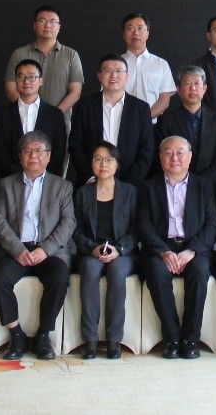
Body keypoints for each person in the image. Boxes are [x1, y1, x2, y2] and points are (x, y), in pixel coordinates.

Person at [0, 131, 76, 360]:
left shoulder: (62, 186)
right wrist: (18, 250)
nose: (33, 156)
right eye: (27, 151)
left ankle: (43, 335)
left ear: (49, 156)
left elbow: (68, 222)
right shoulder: (6, 184)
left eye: (38, 151)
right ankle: (16, 334)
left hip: (48, 251)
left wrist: (45, 249)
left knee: (59, 277)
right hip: (15, 250)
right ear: (20, 157)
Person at [136, 136, 216, 359]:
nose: (174, 158)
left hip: (193, 248)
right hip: (160, 248)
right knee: (156, 273)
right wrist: (164, 251)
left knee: (199, 271)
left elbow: (213, 224)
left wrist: (191, 251)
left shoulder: (203, 186)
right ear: (160, 157)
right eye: (168, 152)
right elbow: (143, 224)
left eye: (180, 152)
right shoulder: (148, 187)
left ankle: (191, 339)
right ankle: (172, 337)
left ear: (190, 157)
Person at [72, 142, 137, 360]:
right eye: (98, 159)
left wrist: (119, 250)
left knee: (117, 272)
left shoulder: (129, 192)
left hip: (122, 252)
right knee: (90, 270)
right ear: (91, 164)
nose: (103, 164)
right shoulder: (83, 193)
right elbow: (76, 229)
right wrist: (92, 248)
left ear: (117, 164)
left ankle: (114, 339)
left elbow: (136, 229)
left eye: (109, 159)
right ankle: (90, 340)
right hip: (92, 251)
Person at [69, 55, 155, 187]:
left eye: (119, 71)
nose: (113, 75)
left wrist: (128, 185)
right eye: (108, 71)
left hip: (129, 184)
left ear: (127, 76)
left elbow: (147, 149)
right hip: (91, 183)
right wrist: (90, 177)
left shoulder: (140, 108)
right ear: (99, 76)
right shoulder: (85, 106)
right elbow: (75, 145)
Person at [3, 5, 85, 119]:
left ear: (59, 27)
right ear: (34, 26)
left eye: (52, 21)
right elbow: (10, 89)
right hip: (23, 119)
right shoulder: (19, 54)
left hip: (59, 121)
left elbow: (75, 92)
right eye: (42, 21)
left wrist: (54, 116)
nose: (47, 25)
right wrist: (29, 112)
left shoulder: (71, 55)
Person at [0, 60, 66, 179]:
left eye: (31, 77)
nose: (26, 81)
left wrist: (41, 175)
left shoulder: (55, 115)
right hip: (11, 180)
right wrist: (17, 175)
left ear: (41, 81)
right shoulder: (2, 114)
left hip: (46, 181)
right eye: (21, 77)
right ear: (16, 81)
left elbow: (59, 150)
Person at [155, 65, 216, 184]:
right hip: (177, 183)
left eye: (197, 83)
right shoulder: (166, 121)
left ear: (204, 88)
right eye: (187, 83)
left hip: (211, 184)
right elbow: (162, 155)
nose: (193, 88)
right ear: (179, 89)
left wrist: (206, 180)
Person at [121, 12, 176, 120]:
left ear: (147, 33)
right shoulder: (114, 64)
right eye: (130, 29)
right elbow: (107, 96)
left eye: (140, 28)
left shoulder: (161, 64)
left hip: (152, 125)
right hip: (120, 124)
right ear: (124, 35)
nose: (136, 33)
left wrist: (144, 119)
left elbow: (164, 100)